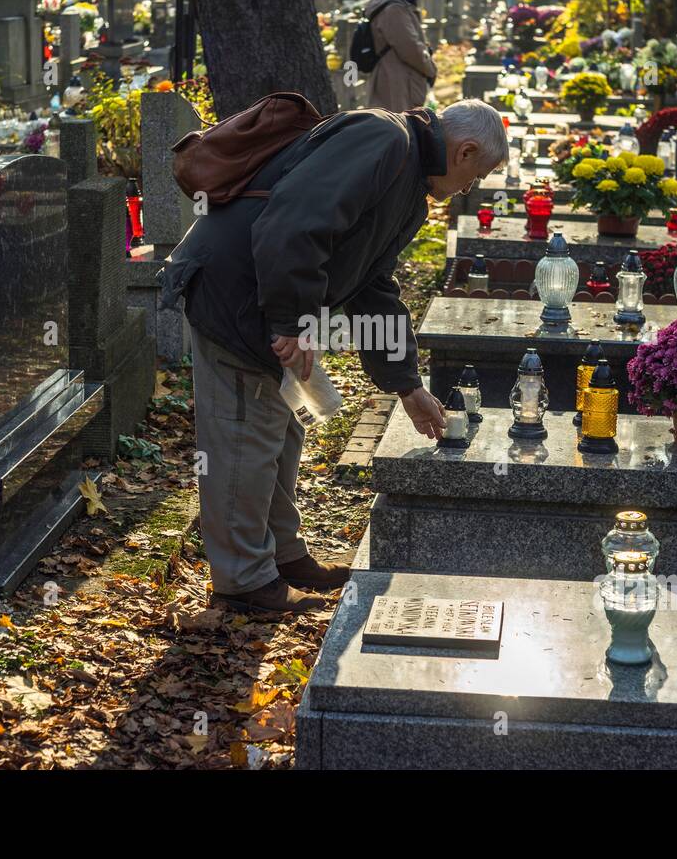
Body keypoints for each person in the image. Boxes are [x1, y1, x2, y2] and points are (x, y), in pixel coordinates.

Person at [158, 99, 508, 613]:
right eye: (476, 176)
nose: (468, 189)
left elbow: (374, 285)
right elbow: (294, 222)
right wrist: (291, 322)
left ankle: (282, 555)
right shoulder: (382, 138)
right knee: (243, 438)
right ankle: (245, 583)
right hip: (235, 294)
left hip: (263, 300)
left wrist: (406, 384)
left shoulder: (408, 185)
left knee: (280, 433)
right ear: (467, 150)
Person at [365, 0, 437, 112]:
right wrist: (430, 68)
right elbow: (409, 47)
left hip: (397, 77)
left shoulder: (394, 3)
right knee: (398, 127)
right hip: (396, 81)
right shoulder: (394, 9)